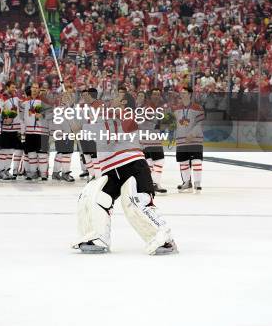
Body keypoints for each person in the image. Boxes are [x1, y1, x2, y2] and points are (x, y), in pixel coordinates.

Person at [72, 87, 177, 255]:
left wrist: (86, 125)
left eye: (116, 98)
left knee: (137, 201)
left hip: (132, 165)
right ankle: (99, 237)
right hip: (110, 169)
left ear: (124, 103)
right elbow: (85, 130)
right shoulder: (103, 117)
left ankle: (164, 239)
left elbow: (109, 135)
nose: (110, 100)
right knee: (99, 199)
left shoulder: (128, 116)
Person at [173, 86, 204, 193]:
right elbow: (175, 124)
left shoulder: (197, 108)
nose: (182, 95)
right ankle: (186, 183)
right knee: (183, 162)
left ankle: (197, 183)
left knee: (196, 161)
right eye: (181, 93)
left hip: (195, 140)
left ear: (190, 94)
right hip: (181, 141)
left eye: (185, 93)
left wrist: (192, 134)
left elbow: (200, 123)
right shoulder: (176, 109)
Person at [138, 88, 167, 194]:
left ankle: (149, 183)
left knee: (149, 161)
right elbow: (143, 121)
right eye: (154, 94)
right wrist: (160, 125)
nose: (156, 96)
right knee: (159, 160)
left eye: (158, 94)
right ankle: (155, 183)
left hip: (147, 138)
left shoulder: (156, 107)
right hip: (150, 138)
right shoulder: (147, 107)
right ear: (150, 96)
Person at [20, 83, 51, 181]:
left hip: (42, 131)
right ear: (31, 89)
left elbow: (52, 114)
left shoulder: (44, 101)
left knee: (42, 154)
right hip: (29, 132)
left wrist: (43, 116)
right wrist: (22, 131)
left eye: (37, 88)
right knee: (31, 154)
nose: (34, 89)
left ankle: (43, 174)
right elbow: (21, 118)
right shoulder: (24, 103)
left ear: (39, 90)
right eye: (33, 87)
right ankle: (32, 173)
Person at [0, 80, 21, 180]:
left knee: (11, 151)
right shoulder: (2, 97)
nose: (14, 89)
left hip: (15, 128)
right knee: (4, 151)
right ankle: (0, 171)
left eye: (14, 87)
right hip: (6, 128)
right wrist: (4, 119)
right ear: (7, 87)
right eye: (12, 87)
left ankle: (7, 170)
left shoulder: (16, 97)